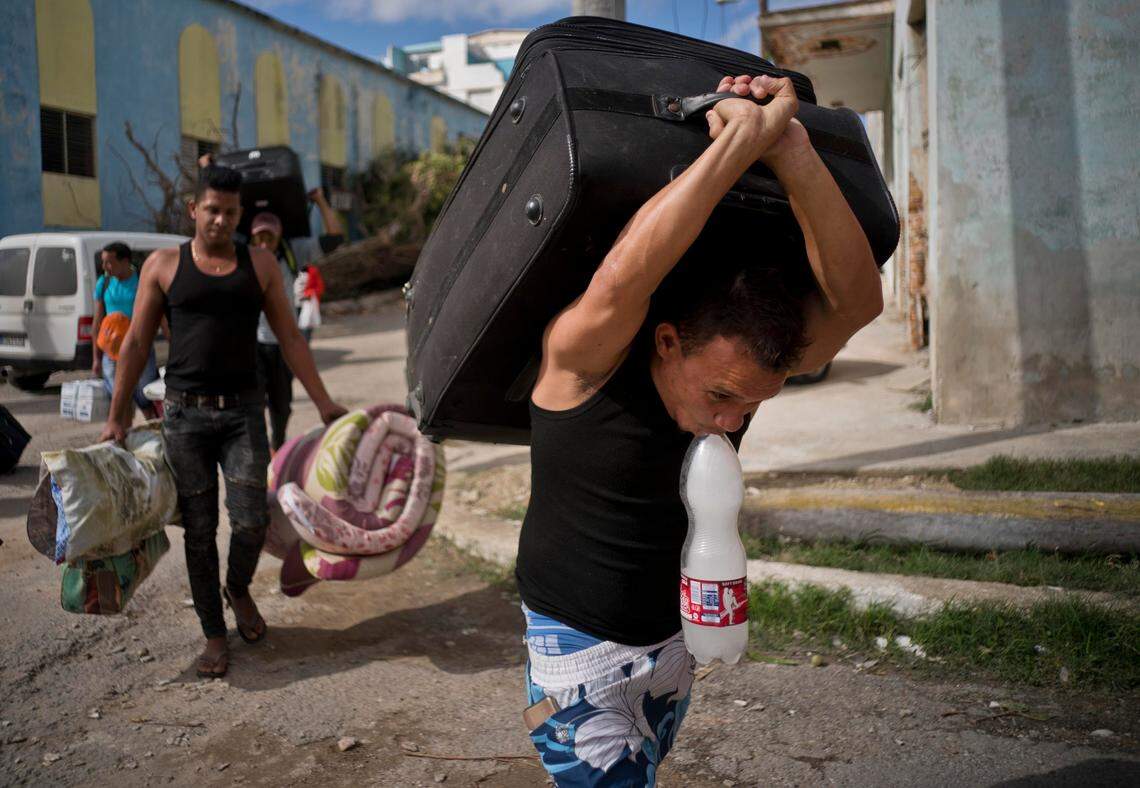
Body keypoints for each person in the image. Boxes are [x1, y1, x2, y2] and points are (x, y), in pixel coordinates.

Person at [516, 74, 883, 784]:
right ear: (667, 342)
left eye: (750, 407)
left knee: (648, 769)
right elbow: (623, 279)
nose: (731, 422)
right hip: (577, 650)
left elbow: (858, 304)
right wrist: (737, 145)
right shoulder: (583, 367)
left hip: (679, 640)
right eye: (722, 397)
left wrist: (791, 145)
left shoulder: (742, 373)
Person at [99, 165, 347, 680]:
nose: (220, 220)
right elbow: (137, 343)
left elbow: (291, 340)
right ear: (193, 210)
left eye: (229, 212)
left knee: (252, 520)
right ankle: (214, 633)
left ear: (239, 215)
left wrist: (324, 403)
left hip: (242, 414)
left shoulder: (258, 265)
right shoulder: (163, 266)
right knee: (199, 530)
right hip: (184, 415)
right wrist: (116, 415)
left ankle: (238, 588)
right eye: (211, 210)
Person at [247, 191, 343, 451]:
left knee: (281, 405)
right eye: (259, 237)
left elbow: (335, 238)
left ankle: (277, 445)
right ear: (252, 237)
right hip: (252, 342)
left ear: (278, 236)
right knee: (252, 405)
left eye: (269, 237)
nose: (264, 243)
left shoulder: (294, 252)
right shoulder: (244, 256)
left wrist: (322, 201)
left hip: (282, 343)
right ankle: (257, 452)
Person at [91, 242, 160, 420]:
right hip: (111, 353)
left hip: (139, 349)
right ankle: (123, 438)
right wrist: (96, 358)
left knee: (145, 396)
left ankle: (153, 433)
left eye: (109, 262)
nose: (105, 267)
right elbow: (97, 322)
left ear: (125, 261)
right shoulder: (104, 283)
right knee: (119, 400)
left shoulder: (142, 281)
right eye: (103, 262)